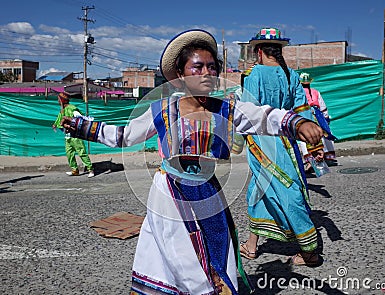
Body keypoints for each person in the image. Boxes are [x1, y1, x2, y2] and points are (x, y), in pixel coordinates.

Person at [61, 29, 323, 294]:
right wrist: (84, 127)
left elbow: (262, 116)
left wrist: (297, 122)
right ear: (180, 74)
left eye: (212, 67)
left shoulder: (225, 109)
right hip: (170, 194)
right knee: (183, 257)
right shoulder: (163, 110)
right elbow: (126, 135)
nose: (206, 73)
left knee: (216, 248)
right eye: (197, 67)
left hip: (207, 190)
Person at [239, 27, 323, 266]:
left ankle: (309, 250)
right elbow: (302, 111)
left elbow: (247, 113)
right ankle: (252, 245)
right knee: (259, 189)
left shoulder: (254, 75)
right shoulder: (292, 76)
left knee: (286, 191)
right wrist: (311, 140)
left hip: (261, 143)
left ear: (258, 52)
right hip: (287, 140)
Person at [52, 92, 95, 178]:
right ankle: (75, 170)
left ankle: (90, 169)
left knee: (81, 152)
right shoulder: (62, 110)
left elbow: (79, 118)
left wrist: (71, 124)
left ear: (62, 100)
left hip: (76, 136)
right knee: (69, 154)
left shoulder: (72, 109)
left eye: (58, 99)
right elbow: (59, 118)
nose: (57, 100)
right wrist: (55, 124)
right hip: (68, 136)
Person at [299, 72, 337, 166]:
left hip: (305, 115)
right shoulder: (315, 92)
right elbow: (322, 105)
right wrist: (326, 117)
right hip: (318, 115)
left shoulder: (298, 93)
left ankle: (309, 159)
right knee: (324, 133)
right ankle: (328, 157)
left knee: (305, 136)